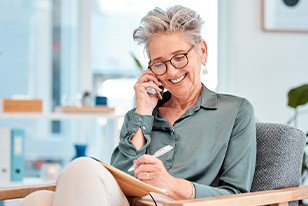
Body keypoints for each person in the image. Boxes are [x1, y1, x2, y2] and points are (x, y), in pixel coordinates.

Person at [19, 5, 256, 206]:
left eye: (180, 57)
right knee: (37, 200)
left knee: (77, 171)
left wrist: (172, 185)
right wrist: (143, 111)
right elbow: (122, 177)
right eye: (159, 64)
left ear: (201, 51)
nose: (171, 71)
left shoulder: (235, 111)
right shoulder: (142, 114)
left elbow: (237, 195)